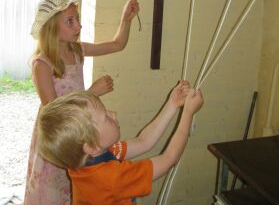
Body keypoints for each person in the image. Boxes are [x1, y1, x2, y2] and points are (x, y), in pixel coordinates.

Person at [24, 0, 139, 205]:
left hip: (80, 130)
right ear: (51, 28)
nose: (78, 26)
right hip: (60, 136)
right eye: (70, 21)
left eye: (77, 19)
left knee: (78, 186)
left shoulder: (77, 50)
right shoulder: (42, 64)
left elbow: (117, 45)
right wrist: (92, 94)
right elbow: (54, 113)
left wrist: (126, 18)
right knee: (55, 189)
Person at [37, 81, 204, 205]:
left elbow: (143, 141)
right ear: (92, 145)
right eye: (106, 117)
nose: (114, 114)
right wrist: (188, 113)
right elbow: (169, 159)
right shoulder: (110, 178)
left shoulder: (85, 158)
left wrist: (172, 104)